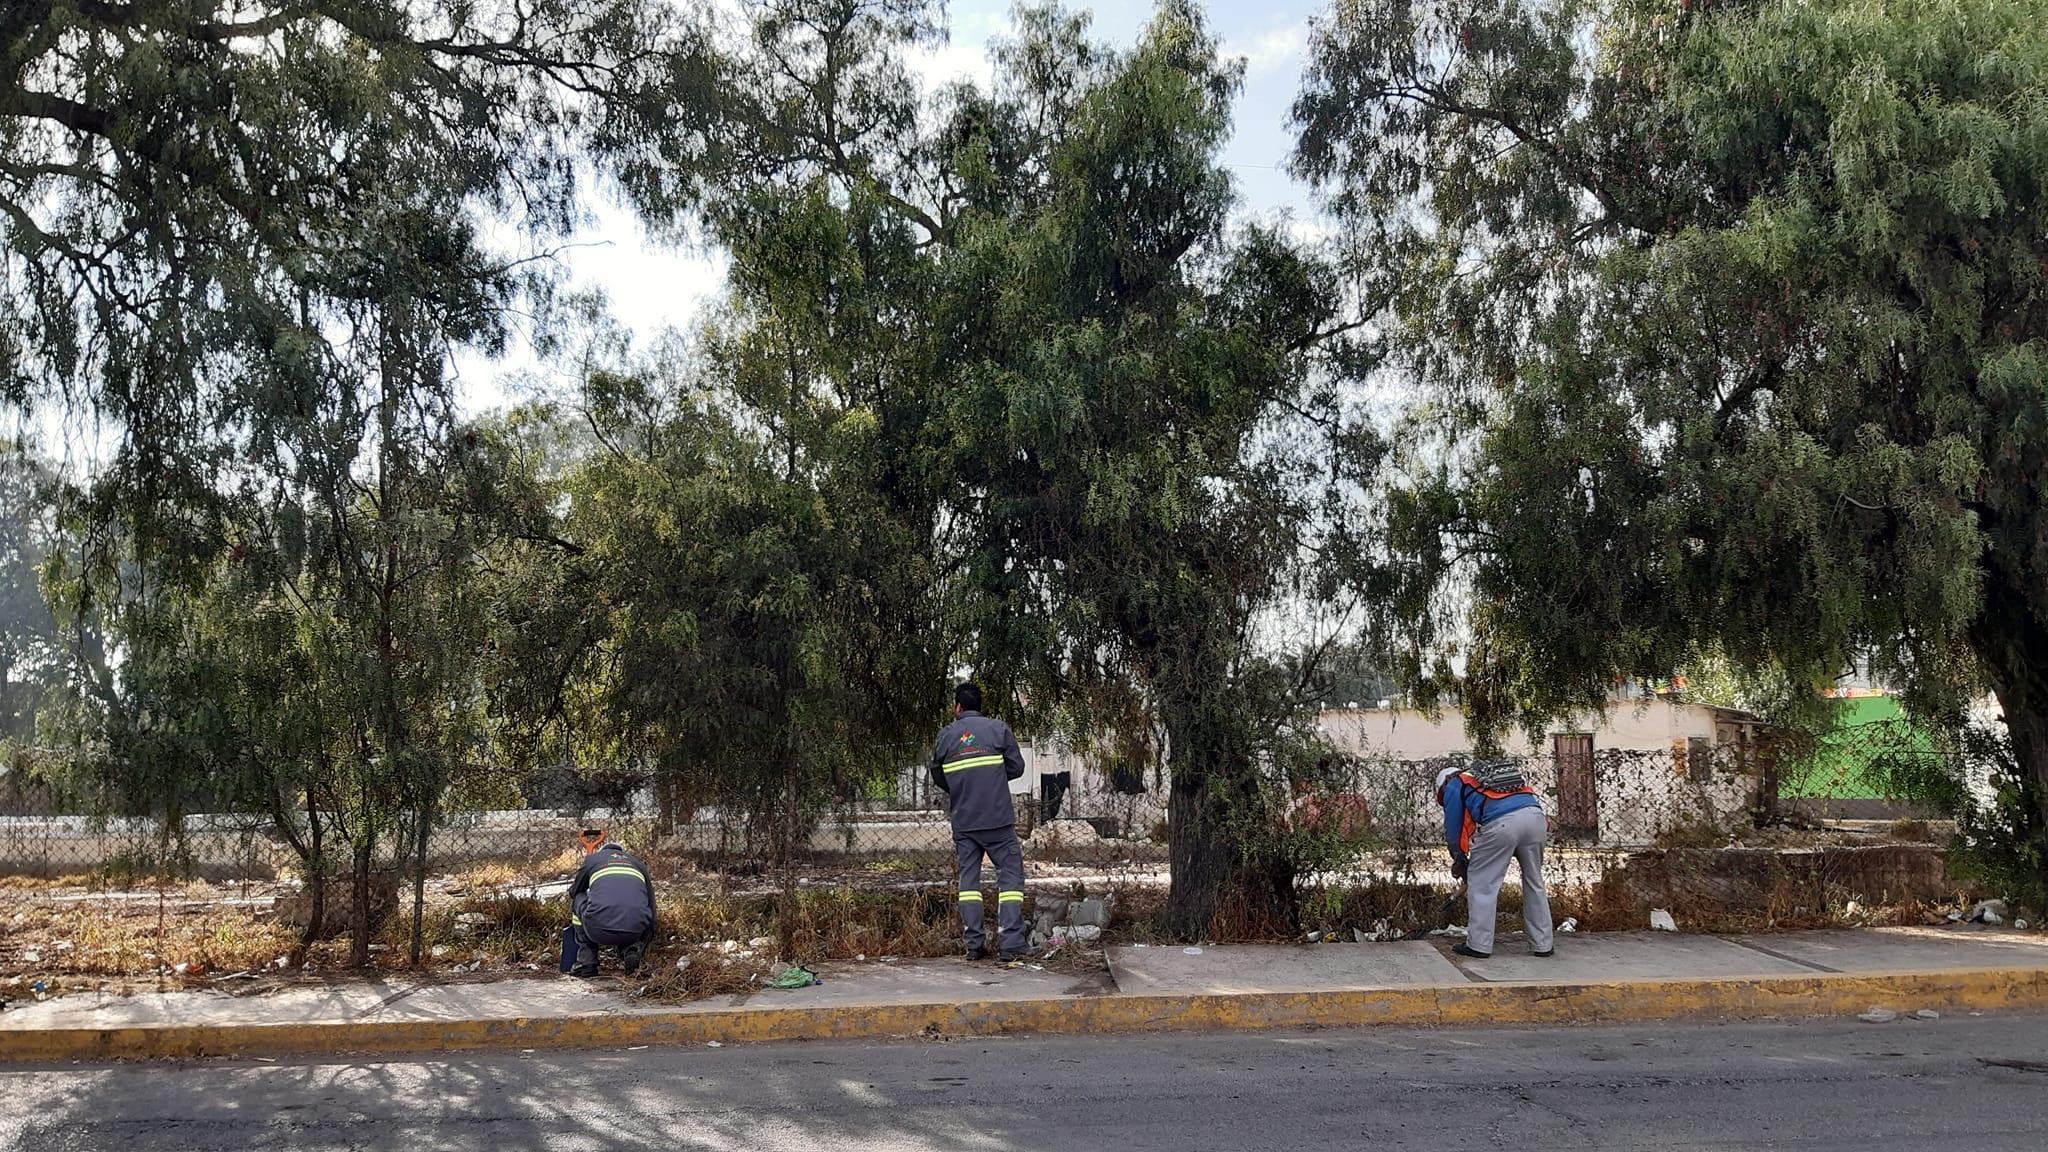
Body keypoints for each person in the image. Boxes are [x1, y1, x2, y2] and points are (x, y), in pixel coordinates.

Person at [928, 682, 1029, 960]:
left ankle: (974, 945)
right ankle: (1010, 944)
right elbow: (1017, 767)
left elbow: (938, 774)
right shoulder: (998, 729)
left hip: (965, 823)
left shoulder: (946, 736)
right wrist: (991, 779)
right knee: (1010, 877)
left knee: (969, 882)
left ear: (957, 707)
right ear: (979, 707)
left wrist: (963, 785)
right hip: (997, 820)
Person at [1436, 761, 1554, 959]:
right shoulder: (1482, 777)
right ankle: (1543, 944)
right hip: (1536, 818)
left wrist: (1458, 856)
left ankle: (1479, 945)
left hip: (1503, 823)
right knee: (1534, 881)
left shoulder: (1454, 783)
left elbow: (1454, 827)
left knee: (1482, 883)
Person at [566, 826, 656, 977]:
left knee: (579, 899)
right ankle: (630, 951)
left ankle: (587, 962)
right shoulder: (638, 864)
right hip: (634, 931)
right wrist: (645, 937)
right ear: (621, 853)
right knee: (630, 908)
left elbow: (574, 892)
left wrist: (589, 879)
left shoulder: (592, 860)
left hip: (597, 930)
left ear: (603, 852)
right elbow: (651, 906)